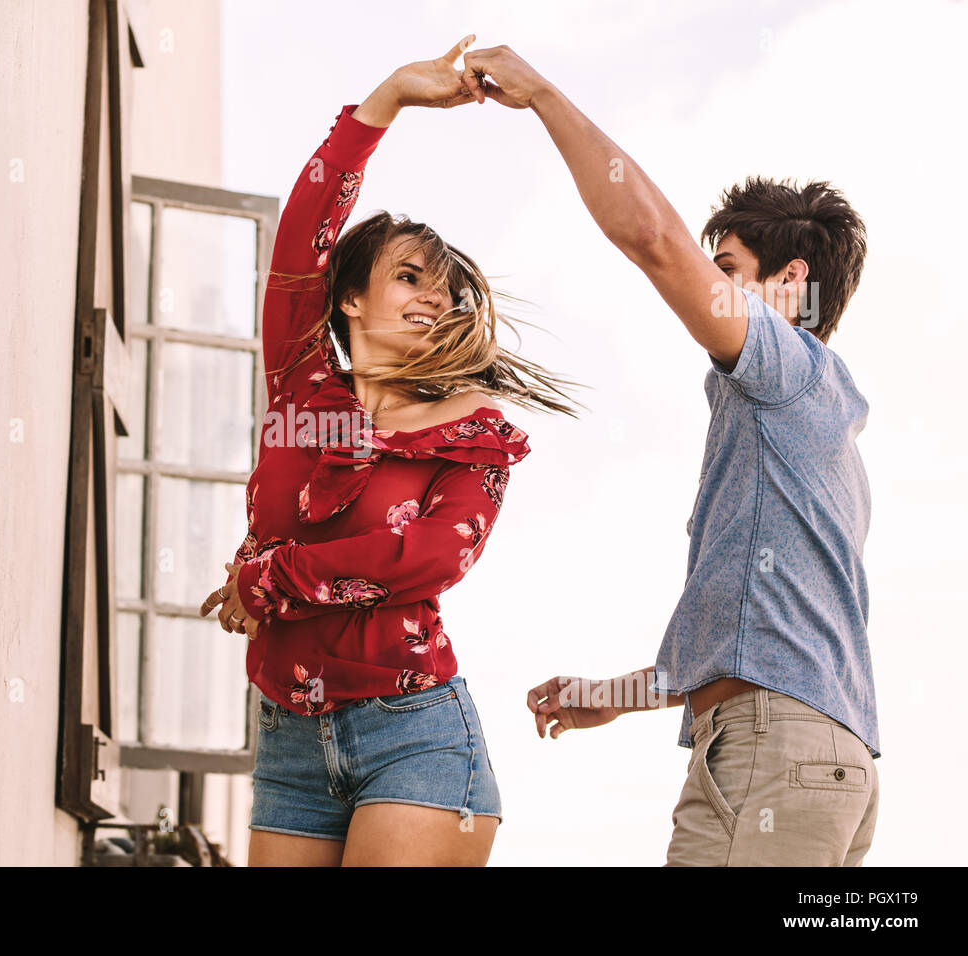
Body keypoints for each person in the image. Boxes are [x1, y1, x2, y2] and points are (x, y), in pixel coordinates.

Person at [463, 45, 881, 865]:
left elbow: (651, 238)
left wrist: (545, 93)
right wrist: (613, 696)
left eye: (724, 269)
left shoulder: (788, 369)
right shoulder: (808, 431)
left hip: (773, 759)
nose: (704, 285)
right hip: (806, 759)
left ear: (791, 282)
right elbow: (758, 643)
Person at [198, 36, 578, 867]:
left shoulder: (474, 428)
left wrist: (271, 578)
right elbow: (302, 238)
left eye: (442, 287)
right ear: (349, 297)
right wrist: (389, 98)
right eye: (410, 276)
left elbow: (432, 556)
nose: (433, 297)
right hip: (290, 741)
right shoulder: (302, 387)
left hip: (416, 738)